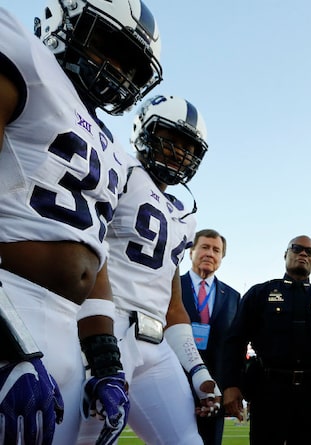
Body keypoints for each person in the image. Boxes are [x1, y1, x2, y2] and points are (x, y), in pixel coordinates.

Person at [0, 1, 162, 443]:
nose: (116, 70)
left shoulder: (109, 145)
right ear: (61, 21)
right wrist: (5, 338)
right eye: (107, 46)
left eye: (130, 65)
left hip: (66, 332)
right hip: (10, 303)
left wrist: (106, 363)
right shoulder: (25, 55)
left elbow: (95, 253)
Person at [76, 94, 221, 444]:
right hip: (104, 331)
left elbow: (172, 306)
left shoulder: (185, 217)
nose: (178, 153)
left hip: (156, 348)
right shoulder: (120, 168)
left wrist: (198, 371)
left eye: (189, 148)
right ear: (144, 130)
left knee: (188, 441)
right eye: (171, 139)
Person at [221, 235, 311, 444]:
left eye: (310, 252)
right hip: (267, 392)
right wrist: (231, 384)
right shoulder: (260, 294)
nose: (303, 254)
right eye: (297, 249)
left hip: (310, 395)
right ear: (286, 254)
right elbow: (235, 341)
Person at [181, 228, 241, 445]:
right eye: (204, 247)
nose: (210, 253)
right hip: (176, 382)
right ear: (191, 251)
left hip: (214, 389)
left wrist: (231, 387)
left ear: (221, 258)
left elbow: (235, 348)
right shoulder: (171, 286)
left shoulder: (233, 297)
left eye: (216, 250)